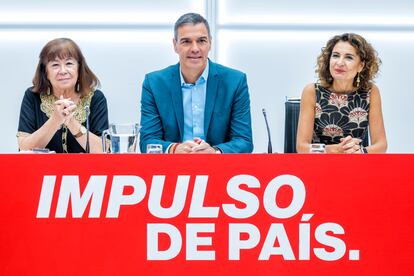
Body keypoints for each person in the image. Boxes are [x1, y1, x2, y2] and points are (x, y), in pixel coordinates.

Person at [140, 13, 253, 153]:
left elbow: (244, 141)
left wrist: (215, 152)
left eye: (201, 41)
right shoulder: (154, 83)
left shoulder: (235, 81)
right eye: (186, 41)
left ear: (210, 43)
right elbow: (148, 141)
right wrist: (174, 149)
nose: (195, 48)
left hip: (220, 170)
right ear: (175, 45)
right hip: (171, 169)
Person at [296, 33, 387, 153]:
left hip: (356, 163)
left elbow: (381, 145)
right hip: (318, 165)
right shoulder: (312, 91)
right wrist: (334, 150)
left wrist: (360, 152)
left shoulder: (370, 92)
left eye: (348, 57)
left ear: (361, 65)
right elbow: (302, 147)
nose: (339, 62)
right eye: (335, 56)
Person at [17, 38, 109, 153]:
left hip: (86, 170)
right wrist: (55, 120)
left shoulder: (95, 98)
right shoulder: (32, 96)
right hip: (43, 170)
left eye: (69, 63)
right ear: (45, 72)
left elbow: (104, 151)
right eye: (55, 65)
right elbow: (24, 148)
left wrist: (71, 122)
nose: (63, 71)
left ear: (79, 68)